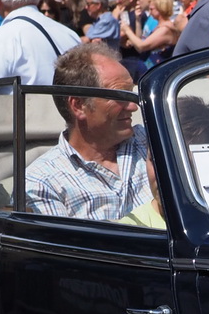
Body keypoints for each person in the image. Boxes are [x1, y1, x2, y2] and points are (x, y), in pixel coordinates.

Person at [26, 41, 152, 220]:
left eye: (131, 94)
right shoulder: (43, 183)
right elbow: (56, 239)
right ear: (78, 106)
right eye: (120, 96)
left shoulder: (152, 141)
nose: (133, 106)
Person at [121, 0, 180, 65]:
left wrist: (127, 30)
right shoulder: (160, 26)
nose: (149, 12)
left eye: (151, 9)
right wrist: (138, 20)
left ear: (160, 9)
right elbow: (139, 42)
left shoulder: (165, 29)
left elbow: (141, 46)